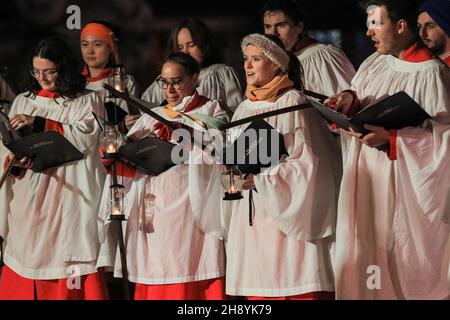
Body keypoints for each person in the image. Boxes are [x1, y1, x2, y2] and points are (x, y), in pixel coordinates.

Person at [324, 0, 450, 299]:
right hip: (365, 181)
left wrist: (395, 140)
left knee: (398, 267)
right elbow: (362, 94)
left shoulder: (432, 74)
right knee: (366, 255)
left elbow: (444, 140)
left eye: (375, 24)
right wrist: (348, 101)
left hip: (402, 191)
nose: (369, 33)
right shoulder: (374, 62)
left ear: (401, 26)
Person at [219, 33, 341, 300]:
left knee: (291, 286)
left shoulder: (292, 102)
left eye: (255, 59)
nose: (248, 66)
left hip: (286, 214)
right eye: (245, 60)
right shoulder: (242, 109)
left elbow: (310, 163)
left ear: (277, 64)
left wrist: (264, 178)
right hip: (252, 217)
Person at [99, 52, 228, 300]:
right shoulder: (152, 115)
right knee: (157, 272)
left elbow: (221, 152)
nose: (169, 89)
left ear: (194, 79)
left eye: (177, 82)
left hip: (191, 210)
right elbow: (127, 153)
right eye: (164, 82)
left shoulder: (211, 109)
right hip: (155, 210)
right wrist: (115, 156)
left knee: (190, 272)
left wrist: (185, 133)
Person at [0, 38, 110, 300]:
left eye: (49, 71)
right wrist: (15, 162)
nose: (42, 78)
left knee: (67, 256)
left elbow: (85, 138)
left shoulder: (88, 100)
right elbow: (6, 147)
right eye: (36, 72)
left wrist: (39, 123)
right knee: (27, 257)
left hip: (69, 196)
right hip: (31, 198)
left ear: (64, 68)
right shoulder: (24, 101)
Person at [141, 18, 243, 113]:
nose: (185, 52)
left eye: (191, 45)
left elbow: (236, 113)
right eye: (180, 47)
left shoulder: (220, 73)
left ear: (204, 44)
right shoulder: (165, 80)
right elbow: (145, 108)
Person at [261, 0, 356, 98]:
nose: (273, 33)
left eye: (281, 25)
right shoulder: (267, 63)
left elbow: (350, 102)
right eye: (268, 27)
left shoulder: (324, 56)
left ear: (299, 27)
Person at [80, 21, 140, 129]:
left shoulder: (123, 82)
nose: (89, 51)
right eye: (85, 44)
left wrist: (124, 126)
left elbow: (133, 124)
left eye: (97, 44)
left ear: (111, 48)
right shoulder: (74, 84)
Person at [418, 0, 450, 66]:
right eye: (419, 26)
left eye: (429, 26)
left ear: (446, 26)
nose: (421, 33)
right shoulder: (425, 61)